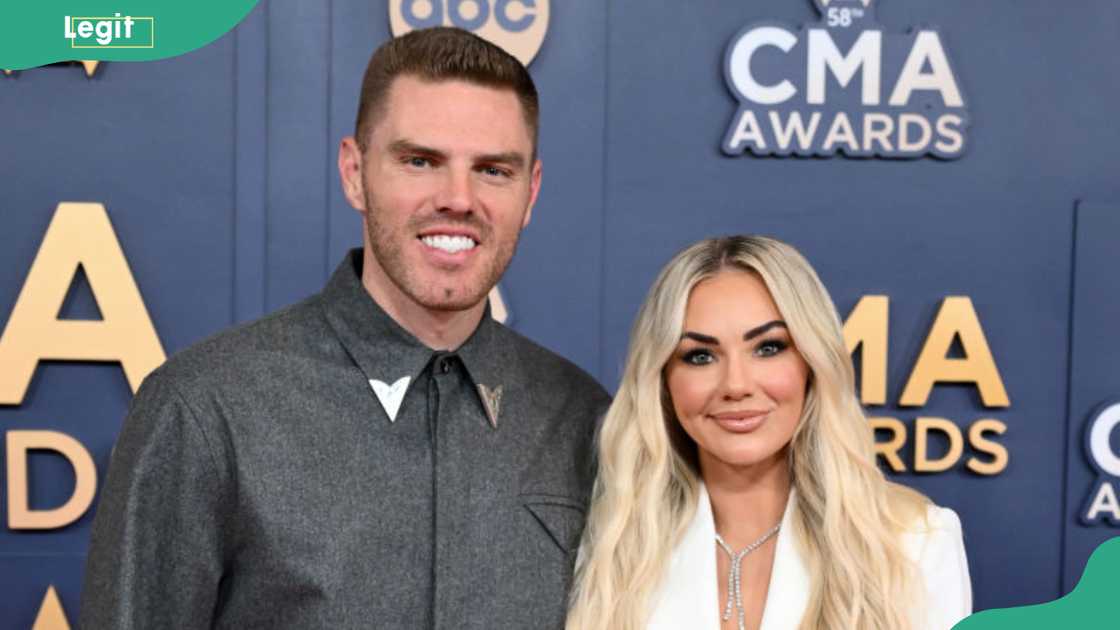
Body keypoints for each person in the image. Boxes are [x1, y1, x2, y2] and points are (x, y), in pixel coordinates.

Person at [81, 27, 610, 629]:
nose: (458, 198)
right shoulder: (206, 408)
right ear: (354, 172)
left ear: (531, 191)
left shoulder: (585, 420)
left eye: (493, 170)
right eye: (420, 161)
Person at [566, 236, 971, 630]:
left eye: (768, 348)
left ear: (812, 363)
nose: (736, 384)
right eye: (700, 356)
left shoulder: (915, 542)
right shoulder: (608, 547)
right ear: (663, 381)